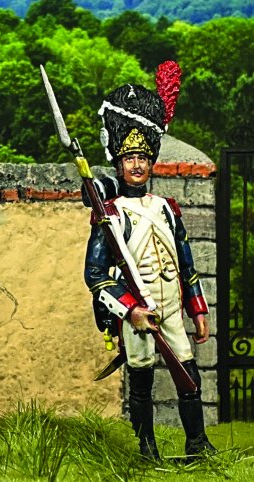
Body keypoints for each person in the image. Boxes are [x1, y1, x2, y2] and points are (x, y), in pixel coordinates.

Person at [83, 62, 215, 460]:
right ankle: (147, 449)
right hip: (138, 313)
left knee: (190, 379)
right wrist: (130, 310)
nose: (136, 165)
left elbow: (186, 265)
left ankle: (197, 444)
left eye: (142, 156)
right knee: (141, 383)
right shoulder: (110, 213)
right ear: (119, 163)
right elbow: (95, 276)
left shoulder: (167, 208)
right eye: (129, 158)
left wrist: (198, 310)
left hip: (172, 310)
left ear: (151, 159)